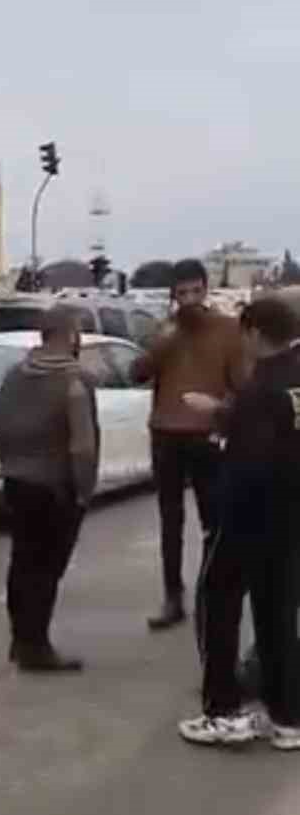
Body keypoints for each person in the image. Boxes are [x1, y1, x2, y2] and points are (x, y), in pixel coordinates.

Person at [180, 295, 300, 749]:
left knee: (220, 601)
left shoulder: (260, 387)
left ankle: (223, 710)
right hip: (290, 515)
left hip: (249, 515)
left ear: (253, 332)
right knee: (278, 613)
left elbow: (249, 456)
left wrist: (217, 426)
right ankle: (287, 716)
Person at [132, 259, 247, 631]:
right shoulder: (165, 331)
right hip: (166, 433)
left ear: (206, 289)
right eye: (182, 293)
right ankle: (172, 595)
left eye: (196, 291)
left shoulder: (228, 331)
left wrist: (223, 415)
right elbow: (137, 373)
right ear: (173, 296)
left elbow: (242, 386)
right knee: (170, 519)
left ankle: (212, 591)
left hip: (206, 435)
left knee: (213, 518)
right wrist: (162, 343)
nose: (190, 300)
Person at [0, 306, 99, 672]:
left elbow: (0, 425)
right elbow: (83, 445)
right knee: (46, 569)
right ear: (71, 334)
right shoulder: (75, 381)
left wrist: (12, 464)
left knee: (22, 562)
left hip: (17, 480)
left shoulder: (13, 375)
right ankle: (36, 647)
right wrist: (84, 490)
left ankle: (20, 639)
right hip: (56, 487)